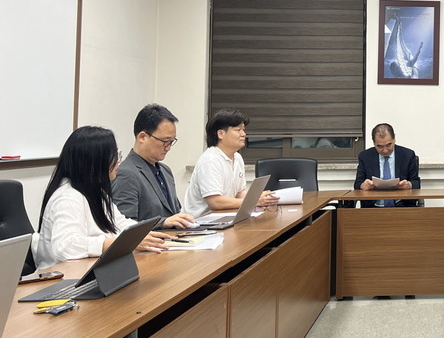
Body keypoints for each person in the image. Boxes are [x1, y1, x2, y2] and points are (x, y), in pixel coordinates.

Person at [36, 126, 171, 269]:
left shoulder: (96, 192)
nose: (118, 162)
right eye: (115, 156)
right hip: (63, 279)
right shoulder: (68, 198)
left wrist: (142, 235)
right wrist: (112, 243)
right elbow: (65, 247)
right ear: (95, 161)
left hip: (91, 269)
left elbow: (119, 223)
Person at [182, 109, 278, 218]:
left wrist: (259, 197)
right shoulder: (210, 160)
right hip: (199, 223)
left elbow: (239, 193)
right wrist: (254, 201)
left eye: (243, 130)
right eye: (238, 130)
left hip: (223, 217)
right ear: (221, 134)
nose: (243, 134)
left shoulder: (237, 157)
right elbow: (215, 202)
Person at [112, 103, 195, 229]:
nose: (168, 147)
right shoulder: (126, 173)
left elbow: (175, 213)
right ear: (142, 137)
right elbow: (124, 225)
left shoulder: (165, 171)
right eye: (164, 141)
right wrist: (163, 222)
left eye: (172, 141)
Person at [349, 123, 421, 208]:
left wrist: (408, 185)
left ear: (394, 139)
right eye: (380, 146)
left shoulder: (407, 155)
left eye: (388, 145)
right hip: (373, 208)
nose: (385, 150)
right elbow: (357, 184)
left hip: (402, 207)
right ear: (374, 143)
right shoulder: (365, 157)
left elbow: (416, 183)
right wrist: (363, 185)